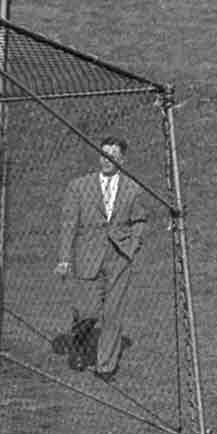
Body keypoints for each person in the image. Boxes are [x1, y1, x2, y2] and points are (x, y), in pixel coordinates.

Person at [53, 137, 160, 379]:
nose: (107, 159)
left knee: (113, 313)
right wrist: (64, 258)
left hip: (119, 257)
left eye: (112, 155)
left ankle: (105, 367)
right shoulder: (79, 186)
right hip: (87, 255)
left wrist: (131, 247)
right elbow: (69, 223)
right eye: (103, 154)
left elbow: (140, 220)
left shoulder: (133, 189)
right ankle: (79, 342)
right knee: (87, 310)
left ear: (122, 159)